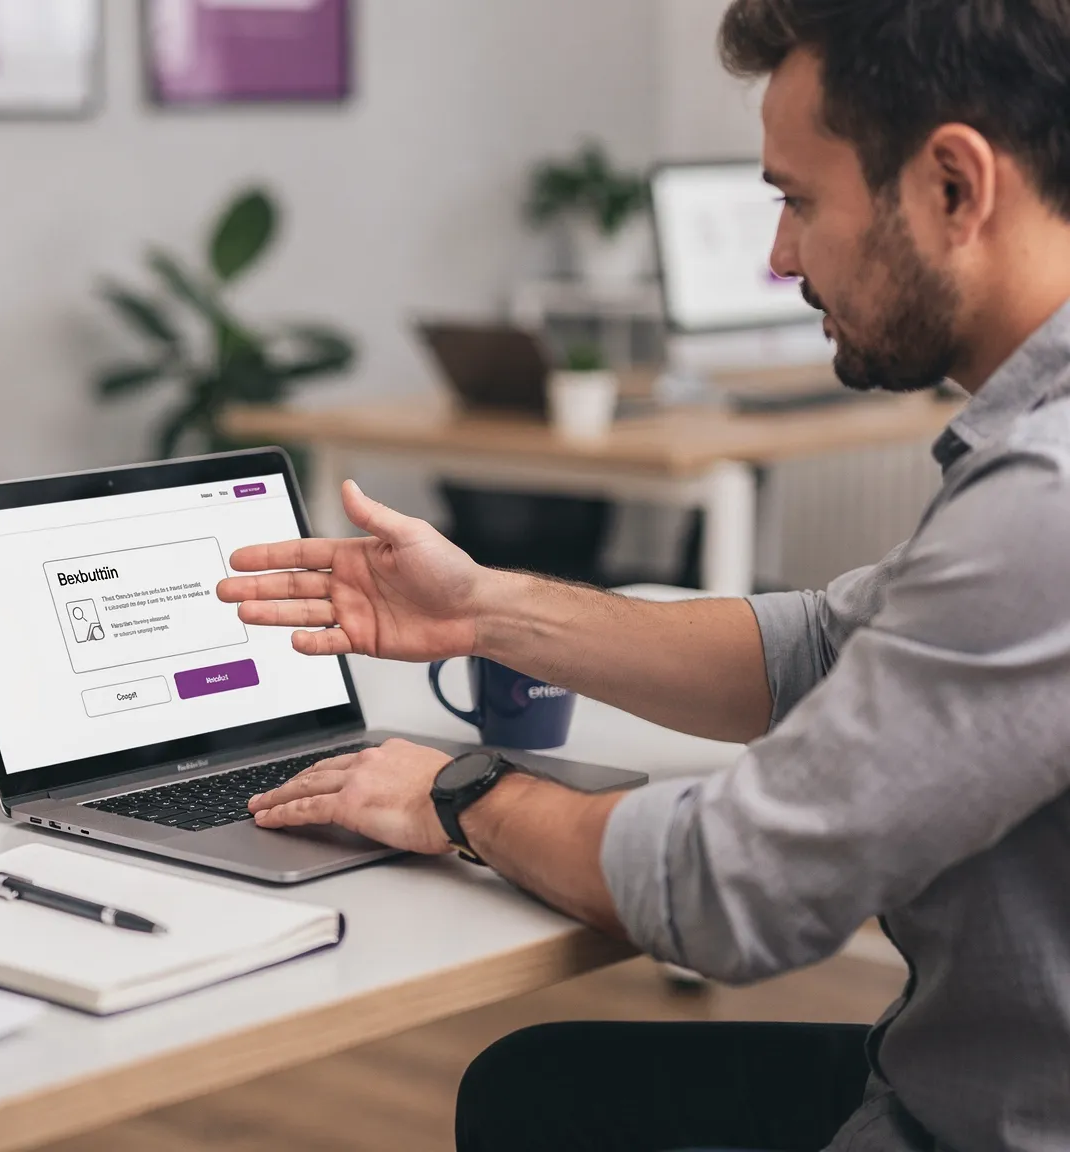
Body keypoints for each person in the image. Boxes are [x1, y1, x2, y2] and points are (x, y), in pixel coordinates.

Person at [216, 1, 1070, 1149]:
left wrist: (456, 796)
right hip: (969, 1068)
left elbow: (728, 885)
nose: (776, 258)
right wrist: (481, 608)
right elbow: (819, 648)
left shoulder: (1043, 506)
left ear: (952, 188)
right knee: (538, 1091)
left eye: (796, 201)